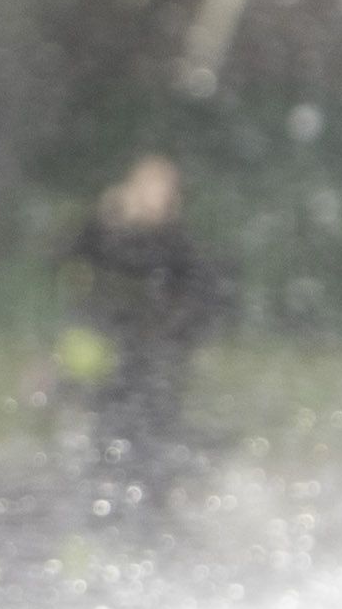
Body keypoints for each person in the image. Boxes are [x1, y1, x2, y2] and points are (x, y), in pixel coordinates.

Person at [52, 152, 224, 519]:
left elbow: (200, 298)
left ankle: (160, 506)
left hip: (157, 363)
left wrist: (175, 337)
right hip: (109, 360)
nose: (153, 197)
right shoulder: (105, 231)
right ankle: (104, 509)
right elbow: (68, 259)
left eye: (162, 189)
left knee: (153, 443)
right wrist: (107, 219)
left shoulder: (178, 245)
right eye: (145, 186)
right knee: (104, 442)